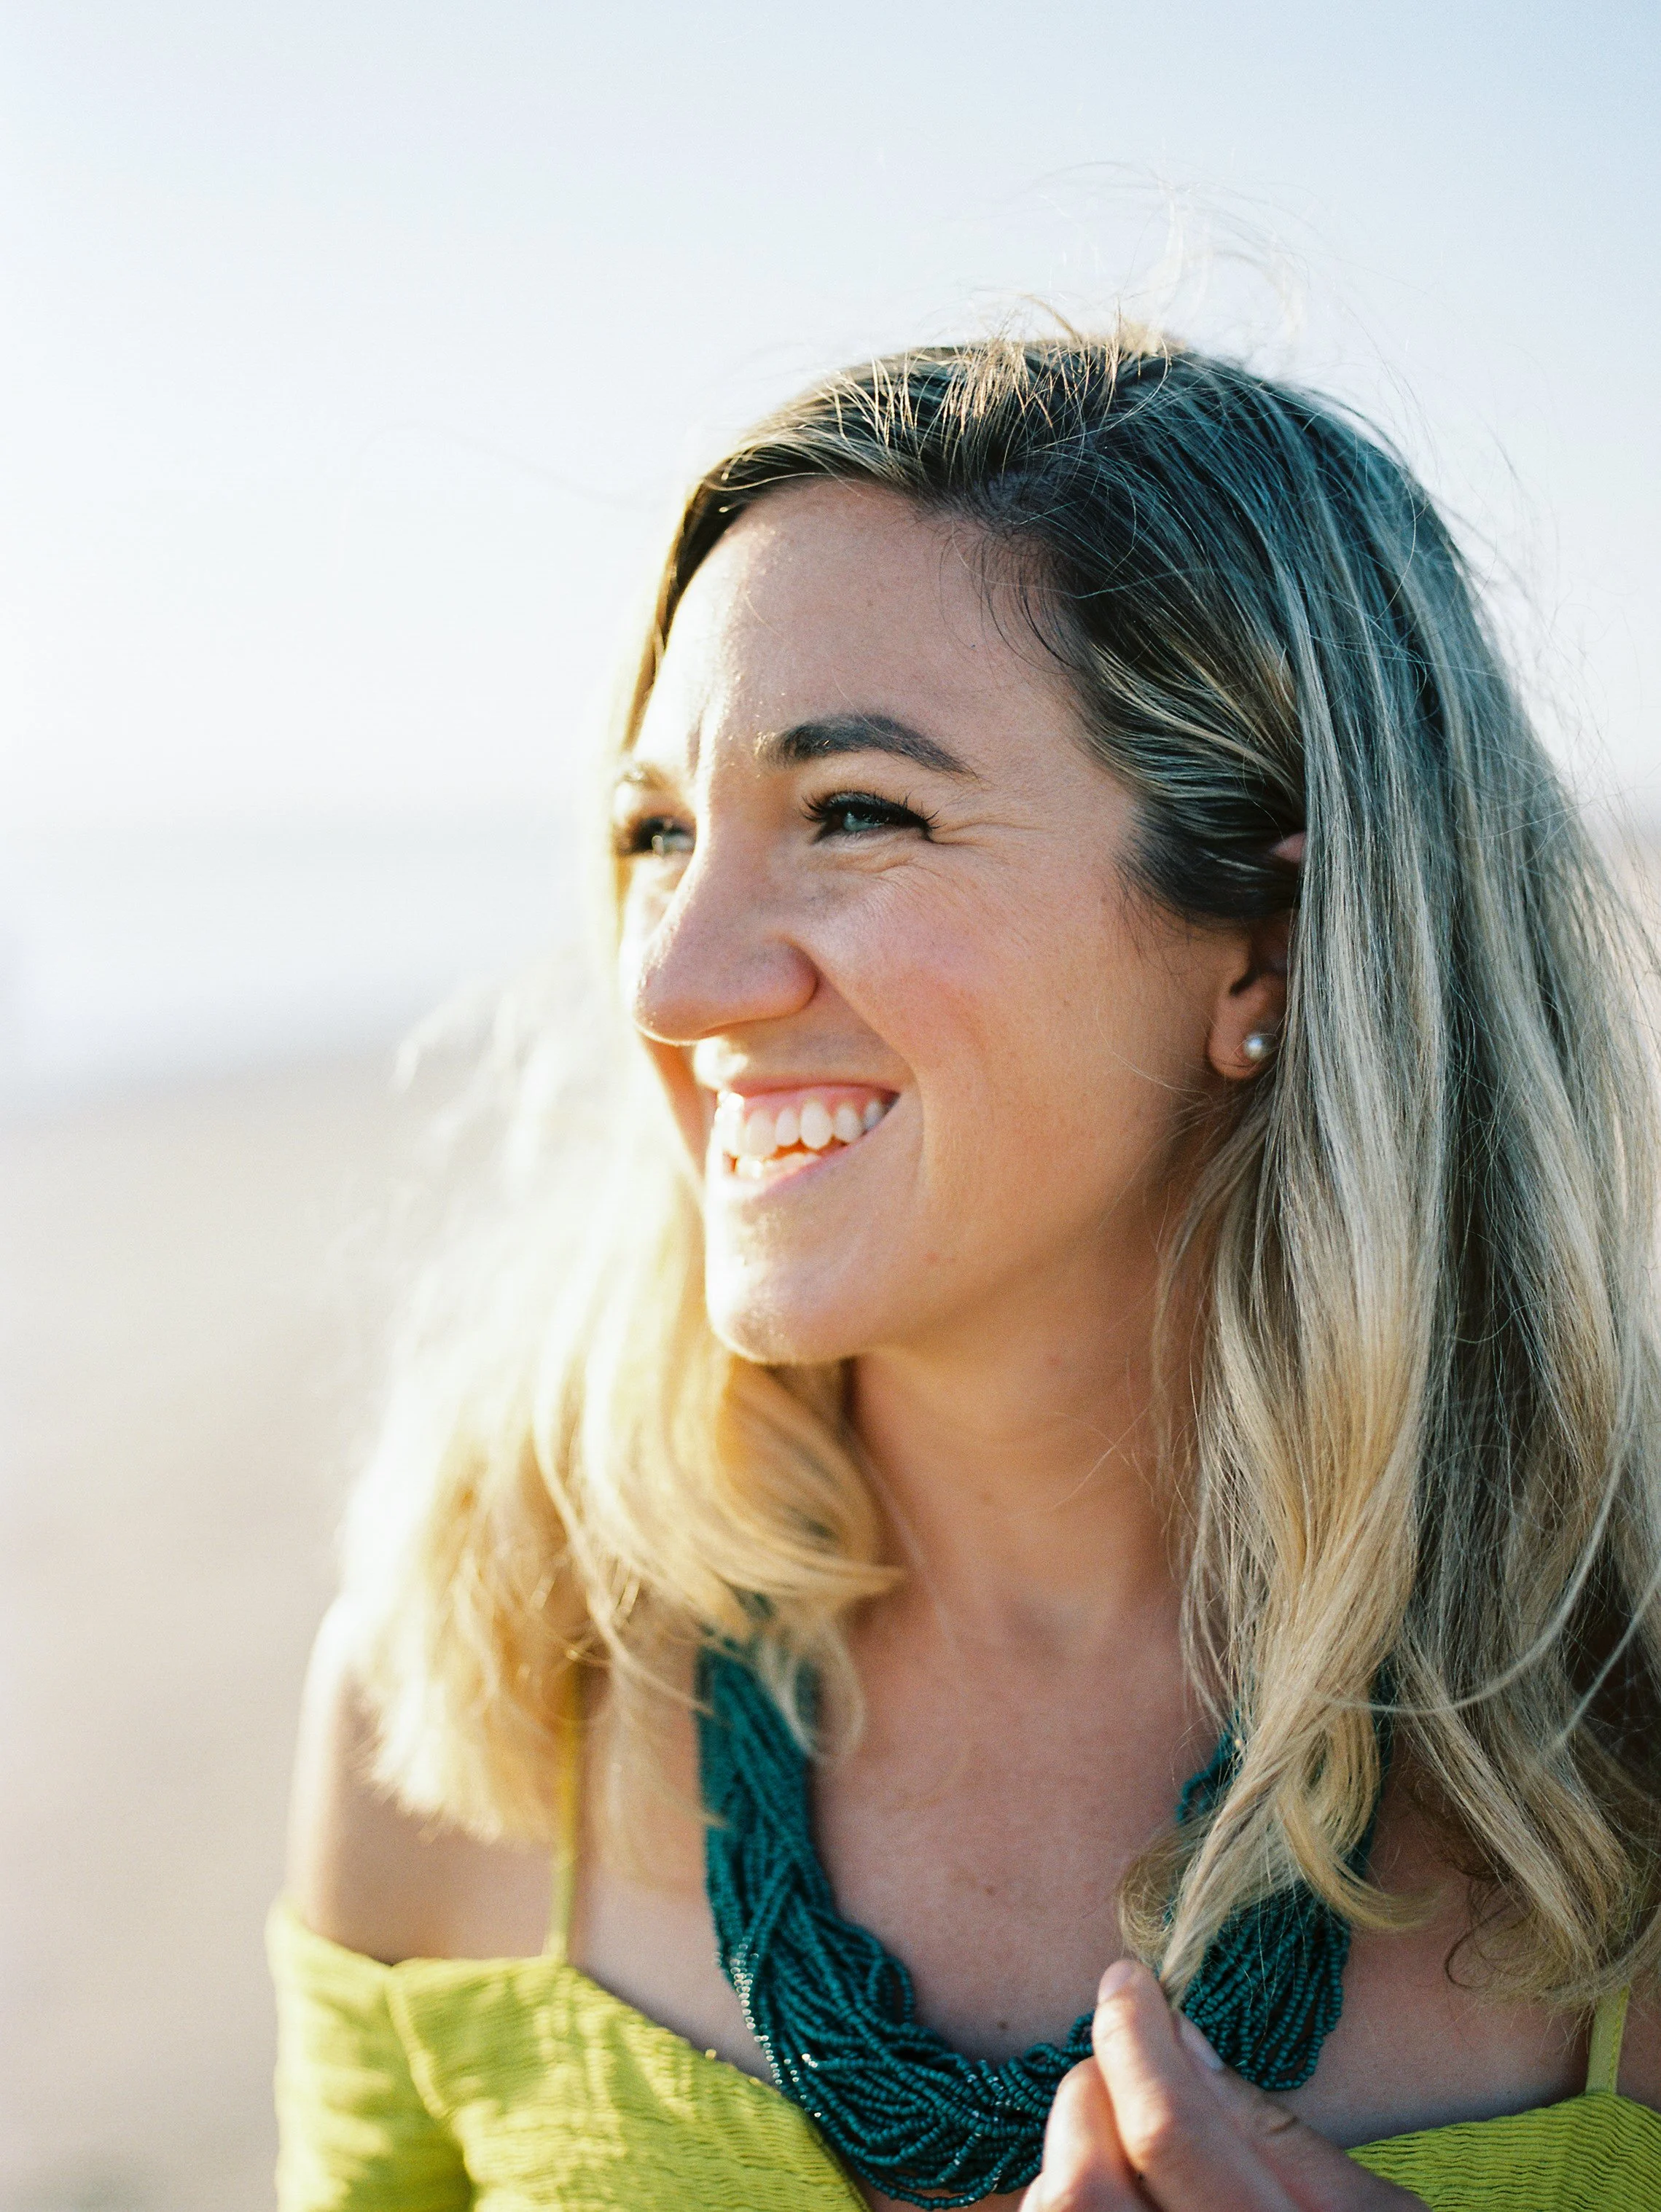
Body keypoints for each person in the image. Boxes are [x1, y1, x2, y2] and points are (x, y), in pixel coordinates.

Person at [272, 328, 1661, 2211]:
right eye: (659, 833)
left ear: (1259, 947)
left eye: (858, 814)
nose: (677, 985)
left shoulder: (1624, 1746)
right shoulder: (480, 1682)